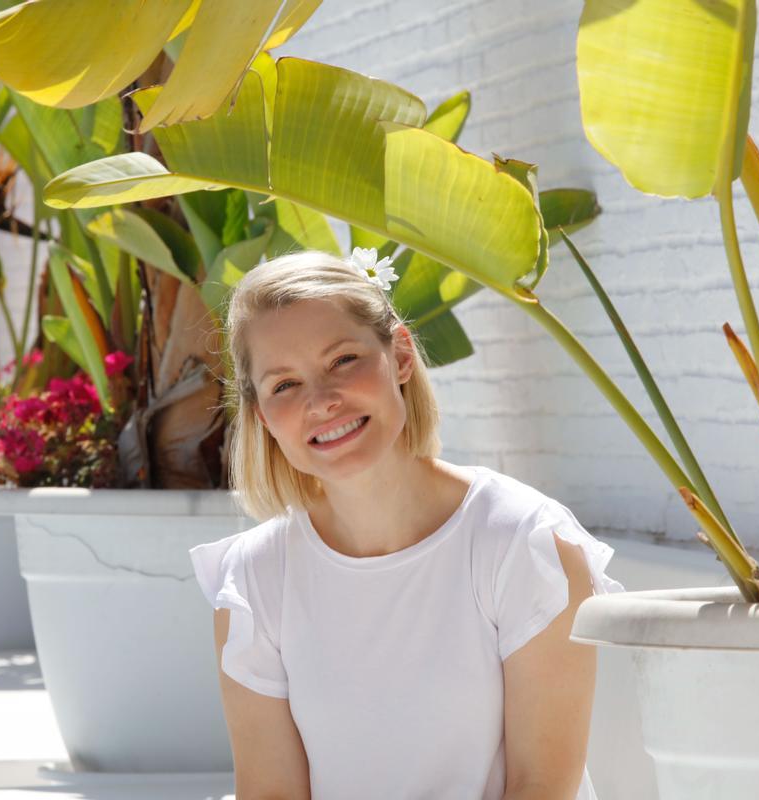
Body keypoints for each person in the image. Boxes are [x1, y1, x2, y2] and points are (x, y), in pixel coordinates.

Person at [189, 248, 625, 799]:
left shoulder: (523, 543)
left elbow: (541, 788)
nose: (322, 401)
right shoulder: (253, 582)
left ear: (399, 356)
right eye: (284, 385)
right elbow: (272, 791)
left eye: (343, 360)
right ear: (261, 418)